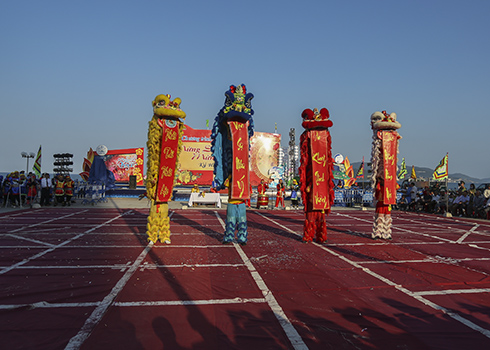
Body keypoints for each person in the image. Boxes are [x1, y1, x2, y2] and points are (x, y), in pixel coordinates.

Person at [299, 107, 334, 243]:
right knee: (310, 211)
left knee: (321, 213)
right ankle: (309, 234)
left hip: (322, 183)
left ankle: (320, 235)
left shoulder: (326, 137)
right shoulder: (306, 137)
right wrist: (308, 183)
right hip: (310, 182)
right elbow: (305, 162)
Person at [370, 110, 402, 240]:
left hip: (389, 181)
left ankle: (386, 230)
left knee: (387, 206)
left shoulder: (393, 145)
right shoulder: (378, 145)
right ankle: (378, 230)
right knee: (380, 205)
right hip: (381, 180)